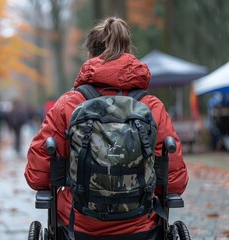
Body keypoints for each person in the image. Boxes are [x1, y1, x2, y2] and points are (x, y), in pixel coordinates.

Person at [24, 17, 189, 238]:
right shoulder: (151, 107)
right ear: (128, 51)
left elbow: (38, 176)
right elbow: (175, 182)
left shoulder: (68, 105)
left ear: (91, 54)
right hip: (140, 226)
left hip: (79, 226)